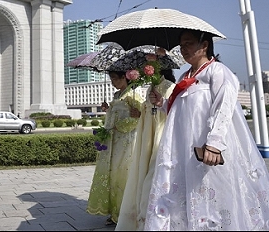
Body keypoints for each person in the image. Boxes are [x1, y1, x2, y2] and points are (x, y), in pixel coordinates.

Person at [144, 29, 269, 230]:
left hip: (207, 150)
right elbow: (183, 111)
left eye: (189, 44)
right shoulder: (185, 76)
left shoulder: (217, 71)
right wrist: (163, 103)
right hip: (186, 150)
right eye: (181, 45)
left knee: (215, 197)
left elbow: (224, 108)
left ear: (204, 46)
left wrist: (214, 145)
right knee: (188, 197)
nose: (184, 49)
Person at [115, 69, 176, 231]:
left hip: (161, 138)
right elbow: (147, 111)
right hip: (147, 139)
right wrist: (141, 112)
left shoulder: (170, 87)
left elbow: (175, 113)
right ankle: (143, 220)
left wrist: (160, 104)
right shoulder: (151, 87)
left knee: (154, 177)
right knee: (144, 176)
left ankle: (153, 220)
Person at [86, 70, 144, 226]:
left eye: (114, 79)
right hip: (113, 140)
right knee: (112, 174)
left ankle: (125, 214)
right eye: (111, 79)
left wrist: (122, 124)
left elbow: (139, 117)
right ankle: (114, 213)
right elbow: (116, 115)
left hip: (126, 140)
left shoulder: (133, 94)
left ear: (124, 77)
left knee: (122, 173)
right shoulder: (117, 95)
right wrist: (108, 109)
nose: (112, 82)